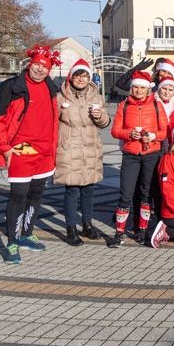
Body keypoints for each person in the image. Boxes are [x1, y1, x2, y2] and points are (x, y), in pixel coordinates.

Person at [0, 45, 61, 265]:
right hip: (21, 149)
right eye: (36, 64)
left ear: (50, 69)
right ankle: (12, 241)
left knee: (36, 194)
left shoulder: (51, 87)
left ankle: (27, 233)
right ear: (29, 64)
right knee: (18, 195)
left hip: (45, 151)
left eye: (44, 66)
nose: (39, 69)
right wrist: (4, 147)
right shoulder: (10, 87)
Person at [108, 70, 169, 247]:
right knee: (125, 194)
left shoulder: (157, 106)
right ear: (131, 88)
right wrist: (129, 133)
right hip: (131, 155)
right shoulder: (123, 106)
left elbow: (165, 132)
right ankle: (119, 233)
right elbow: (114, 131)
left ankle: (142, 231)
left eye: (142, 88)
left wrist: (152, 136)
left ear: (148, 89)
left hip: (151, 154)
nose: (138, 91)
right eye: (135, 88)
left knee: (146, 194)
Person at [54, 59, 110, 245]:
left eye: (84, 76)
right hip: (69, 147)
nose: (81, 79)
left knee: (89, 188)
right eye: (78, 75)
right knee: (71, 189)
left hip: (90, 146)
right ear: (72, 76)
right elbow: (52, 121)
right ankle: (70, 228)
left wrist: (100, 116)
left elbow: (105, 122)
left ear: (89, 78)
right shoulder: (61, 97)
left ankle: (87, 224)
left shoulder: (96, 97)